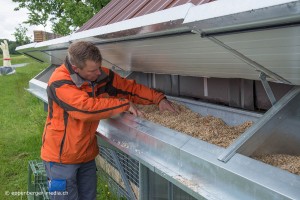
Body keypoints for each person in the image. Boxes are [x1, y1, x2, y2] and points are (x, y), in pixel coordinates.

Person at [41, 41, 177, 200]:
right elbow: (85, 109)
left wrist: (159, 99)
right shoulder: (60, 81)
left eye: (99, 67)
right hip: (60, 159)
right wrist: (122, 104)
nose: (99, 73)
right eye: (93, 70)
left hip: (86, 155)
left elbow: (129, 89)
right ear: (77, 69)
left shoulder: (100, 76)